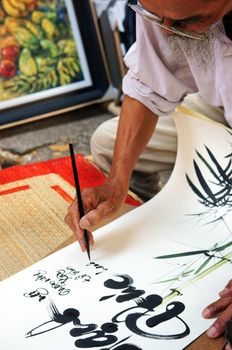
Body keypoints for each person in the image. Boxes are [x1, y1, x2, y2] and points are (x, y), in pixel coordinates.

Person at [65, 0, 232, 347]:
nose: (166, 28)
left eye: (191, 20)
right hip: (221, 99)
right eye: (156, 15)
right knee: (109, 144)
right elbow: (149, 82)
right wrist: (115, 183)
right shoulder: (167, 9)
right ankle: (178, 210)